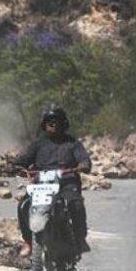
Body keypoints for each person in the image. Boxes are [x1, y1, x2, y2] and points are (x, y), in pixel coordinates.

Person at [13, 106, 91, 257]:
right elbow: (25, 159)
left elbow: (83, 159)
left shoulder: (72, 143)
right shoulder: (38, 144)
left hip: (67, 183)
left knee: (76, 204)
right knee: (23, 205)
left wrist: (83, 165)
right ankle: (28, 242)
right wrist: (14, 165)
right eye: (49, 121)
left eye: (56, 121)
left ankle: (80, 239)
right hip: (41, 184)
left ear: (64, 123)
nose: (53, 124)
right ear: (44, 124)